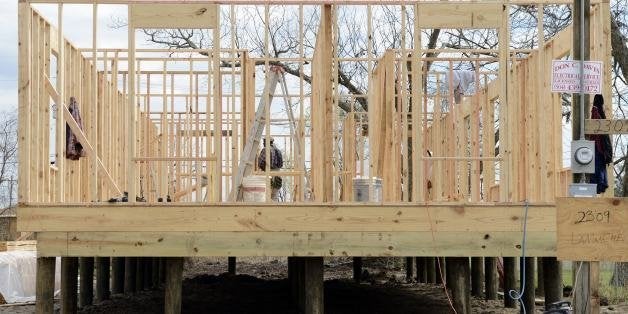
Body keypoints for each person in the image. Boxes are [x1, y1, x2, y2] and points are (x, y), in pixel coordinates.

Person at [586, 94, 613, 194]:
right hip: (602, 148)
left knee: (596, 167)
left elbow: (595, 131)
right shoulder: (601, 112)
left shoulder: (595, 110)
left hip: (597, 147)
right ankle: (600, 184)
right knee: (599, 167)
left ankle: (596, 185)